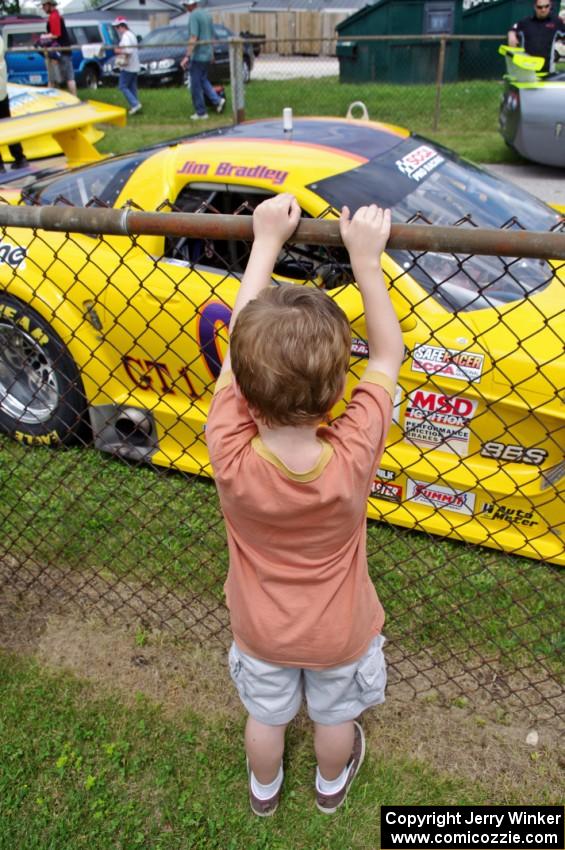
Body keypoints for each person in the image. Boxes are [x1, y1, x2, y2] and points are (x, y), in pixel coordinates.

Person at [206, 194, 404, 816]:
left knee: (264, 718)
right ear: (338, 392)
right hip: (338, 633)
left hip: (260, 629)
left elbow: (239, 345)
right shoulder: (349, 458)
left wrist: (264, 242)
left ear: (240, 381)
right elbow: (390, 356)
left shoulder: (229, 447)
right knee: (335, 716)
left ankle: (263, 793)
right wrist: (366, 263)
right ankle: (329, 787)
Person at [180, 0, 225, 120]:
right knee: (203, 80)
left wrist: (187, 56)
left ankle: (201, 112)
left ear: (190, 5)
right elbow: (211, 36)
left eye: (185, 5)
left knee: (195, 85)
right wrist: (212, 53)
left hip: (198, 55)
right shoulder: (206, 15)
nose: (185, 8)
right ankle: (217, 100)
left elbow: (194, 36)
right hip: (207, 54)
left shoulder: (194, 16)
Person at [508, 0, 565, 73]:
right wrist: (511, 34)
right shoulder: (526, 22)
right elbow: (514, 28)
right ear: (534, 7)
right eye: (540, 7)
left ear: (550, 6)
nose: (543, 9)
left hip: (547, 71)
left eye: (546, 6)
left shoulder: (556, 22)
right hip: (526, 70)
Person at [0, 33, 28, 172]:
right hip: (2, 91)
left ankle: (3, 163)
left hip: (1, 91)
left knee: (7, 125)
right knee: (8, 124)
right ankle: (19, 157)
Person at [39, 0, 76, 96]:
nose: (42, 8)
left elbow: (56, 35)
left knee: (56, 79)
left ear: (49, 5)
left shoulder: (54, 16)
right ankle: (73, 99)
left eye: (44, 5)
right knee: (67, 78)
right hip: (62, 50)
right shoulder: (57, 15)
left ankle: (72, 99)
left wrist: (44, 37)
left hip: (59, 52)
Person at [112, 17, 142, 116]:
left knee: (123, 86)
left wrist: (118, 51)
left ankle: (135, 104)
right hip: (135, 65)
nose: (117, 29)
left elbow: (128, 50)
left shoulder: (125, 36)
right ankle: (135, 105)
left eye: (117, 27)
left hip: (128, 66)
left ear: (121, 26)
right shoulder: (132, 35)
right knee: (132, 87)